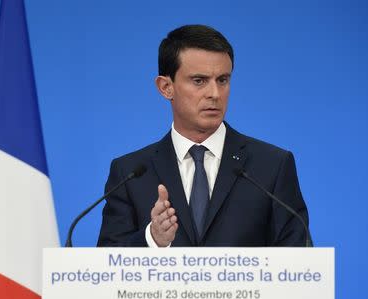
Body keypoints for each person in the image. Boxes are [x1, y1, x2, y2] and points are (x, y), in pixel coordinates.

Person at [97, 24, 311, 247]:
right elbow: (107, 263)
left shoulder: (271, 166)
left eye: (223, 80)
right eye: (199, 81)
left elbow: (298, 257)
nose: (215, 94)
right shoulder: (130, 174)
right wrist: (152, 239)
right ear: (165, 87)